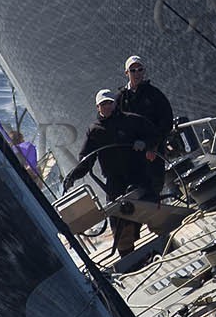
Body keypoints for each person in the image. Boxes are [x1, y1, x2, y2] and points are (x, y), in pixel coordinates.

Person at [63, 89, 158, 256]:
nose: (106, 106)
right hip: (115, 181)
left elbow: (154, 134)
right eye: (103, 104)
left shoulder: (132, 120)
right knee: (118, 219)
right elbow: (86, 159)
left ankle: (164, 237)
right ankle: (129, 258)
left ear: (115, 104)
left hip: (138, 174)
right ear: (98, 107)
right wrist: (73, 176)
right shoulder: (94, 130)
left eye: (109, 103)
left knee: (150, 206)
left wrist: (145, 143)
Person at [119, 54, 174, 198]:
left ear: (144, 71)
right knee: (137, 188)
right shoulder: (121, 98)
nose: (136, 73)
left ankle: (157, 206)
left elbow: (166, 121)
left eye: (140, 69)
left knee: (155, 185)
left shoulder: (154, 94)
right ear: (126, 73)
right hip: (132, 152)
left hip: (153, 151)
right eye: (133, 70)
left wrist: (153, 145)